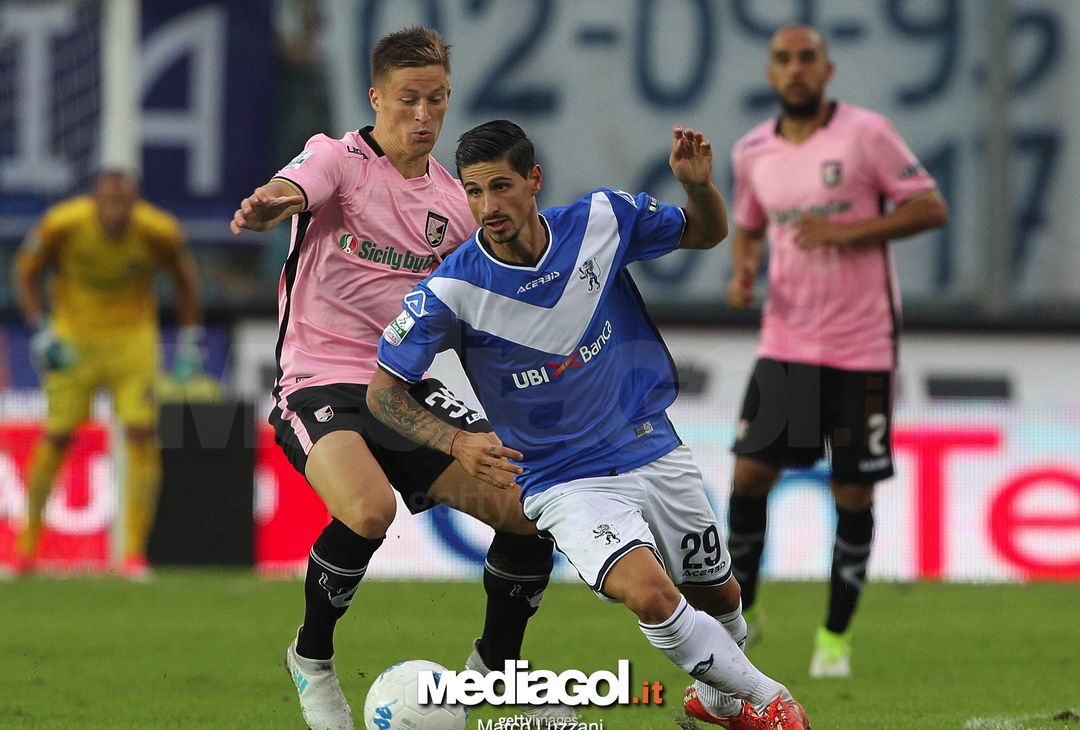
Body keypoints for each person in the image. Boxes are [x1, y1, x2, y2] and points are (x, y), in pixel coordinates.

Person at [367, 119, 811, 729]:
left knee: (722, 597)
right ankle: (772, 701)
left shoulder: (602, 219)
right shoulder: (452, 290)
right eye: (473, 192)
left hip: (648, 443)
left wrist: (700, 188)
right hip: (563, 479)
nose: (487, 207)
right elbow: (383, 393)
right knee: (652, 594)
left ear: (534, 180)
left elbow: (706, 233)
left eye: (500, 187)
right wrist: (455, 440)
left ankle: (716, 701)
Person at [229, 27, 573, 730]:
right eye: (408, 100)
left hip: (402, 388)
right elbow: (298, 183)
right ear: (376, 97)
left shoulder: (453, 205)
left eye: (437, 100)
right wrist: (274, 200)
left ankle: (495, 670)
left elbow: (481, 308)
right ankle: (312, 659)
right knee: (367, 510)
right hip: (318, 380)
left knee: (530, 509)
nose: (424, 116)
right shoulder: (339, 160)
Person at [724, 24, 949, 679]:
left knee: (853, 492)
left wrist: (850, 230)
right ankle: (737, 626)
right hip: (786, 341)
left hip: (861, 345)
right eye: (783, 60)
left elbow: (930, 206)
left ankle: (834, 639)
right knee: (749, 478)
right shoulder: (752, 151)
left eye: (806, 59)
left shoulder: (866, 134)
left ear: (827, 70)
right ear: (770, 74)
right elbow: (750, 228)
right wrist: (743, 272)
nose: (794, 70)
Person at [11, 169, 205, 580]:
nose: (117, 213)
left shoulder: (158, 231)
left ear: (136, 203)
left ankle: (133, 554)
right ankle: (24, 550)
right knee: (58, 435)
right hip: (73, 341)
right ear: (94, 202)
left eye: (125, 205)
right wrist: (40, 328)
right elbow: (25, 270)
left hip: (131, 343)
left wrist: (191, 340)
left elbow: (185, 279)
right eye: (109, 204)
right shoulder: (63, 224)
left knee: (140, 434)